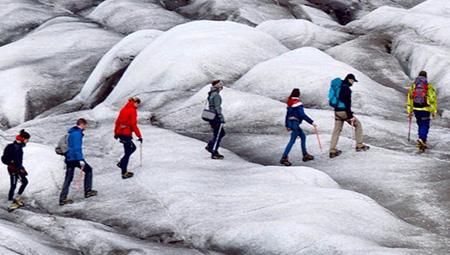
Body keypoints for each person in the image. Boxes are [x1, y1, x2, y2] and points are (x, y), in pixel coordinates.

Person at [329, 74, 370, 158]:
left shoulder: (339, 87)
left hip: (337, 112)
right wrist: (350, 115)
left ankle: (332, 150)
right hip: (344, 112)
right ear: (349, 79)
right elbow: (347, 103)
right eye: (353, 81)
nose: (353, 82)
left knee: (336, 131)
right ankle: (359, 145)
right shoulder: (346, 89)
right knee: (358, 125)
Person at [59, 118, 97, 206]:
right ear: (82, 124)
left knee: (68, 178)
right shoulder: (77, 134)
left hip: (69, 158)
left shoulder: (71, 132)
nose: (86, 127)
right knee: (88, 170)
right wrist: (80, 159)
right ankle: (88, 191)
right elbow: (77, 148)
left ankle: (62, 199)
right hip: (75, 158)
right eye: (85, 125)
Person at [280, 89, 316, 166]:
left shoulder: (289, 102)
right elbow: (302, 115)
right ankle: (284, 157)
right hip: (295, 124)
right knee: (292, 140)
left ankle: (305, 154)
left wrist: (287, 125)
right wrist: (312, 122)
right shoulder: (298, 104)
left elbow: (287, 115)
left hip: (291, 123)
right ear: (298, 95)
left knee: (303, 136)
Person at [407, 71, 437, 152]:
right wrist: (434, 111)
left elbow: (410, 99)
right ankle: (422, 139)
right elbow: (432, 99)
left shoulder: (414, 86)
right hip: (425, 109)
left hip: (416, 109)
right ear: (426, 77)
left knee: (420, 123)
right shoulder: (428, 86)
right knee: (425, 124)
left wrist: (409, 111)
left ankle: (421, 139)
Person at [114, 97, 143, 178]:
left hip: (121, 133)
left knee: (132, 148)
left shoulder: (123, 109)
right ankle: (124, 172)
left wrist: (116, 133)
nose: (137, 105)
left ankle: (121, 163)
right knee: (128, 151)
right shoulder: (132, 110)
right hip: (126, 134)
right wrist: (139, 136)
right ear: (135, 102)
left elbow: (117, 122)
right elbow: (134, 125)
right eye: (137, 104)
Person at [4, 130, 31, 211]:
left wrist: (21, 168)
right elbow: (15, 160)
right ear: (23, 138)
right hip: (13, 169)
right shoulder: (16, 147)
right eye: (27, 139)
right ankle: (10, 204)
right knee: (13, 185)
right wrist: (20, 168)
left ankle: (16, 199)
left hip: (17, 168)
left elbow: (18, 160)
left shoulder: (17, 146)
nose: (28, 141)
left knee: (25, 182)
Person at [205, 80, 226, 159]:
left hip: (210, 115)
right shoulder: (216, 95)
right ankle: (214, 152)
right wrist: (221, 117)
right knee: (219, 134)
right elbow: (217, 107)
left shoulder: (211, 93)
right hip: (215, 116)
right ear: (217, 86)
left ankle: (210, 146)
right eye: (220, 84)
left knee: (219, 133)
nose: (222, 86)